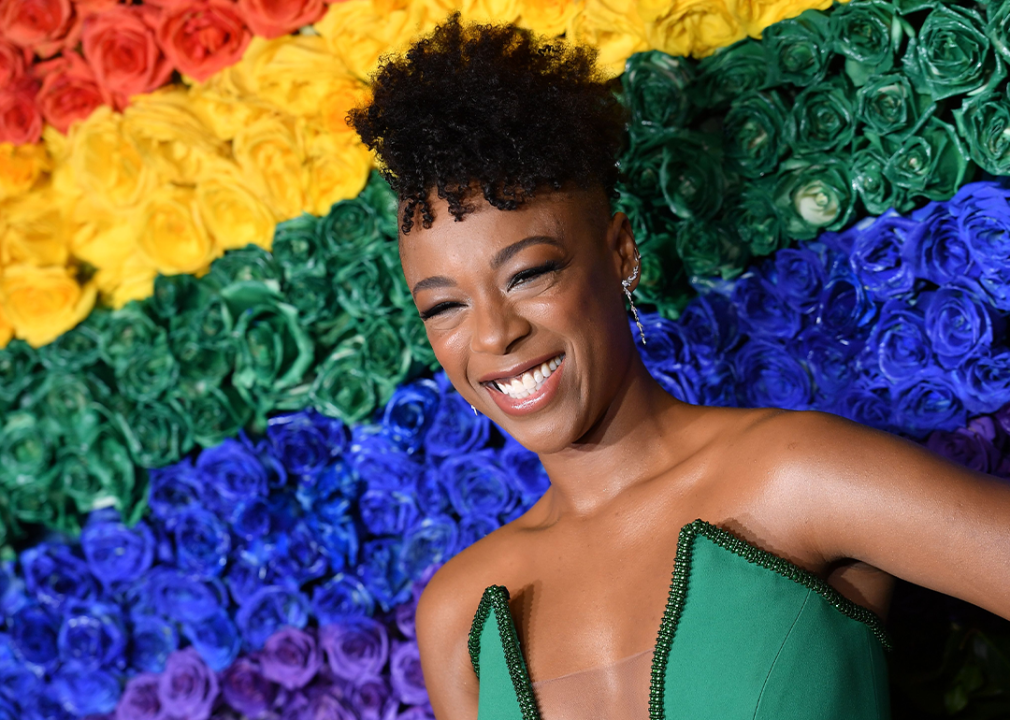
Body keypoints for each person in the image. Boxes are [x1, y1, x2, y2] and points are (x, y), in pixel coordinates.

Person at [348, 13, 1010, 720]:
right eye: (444, 306)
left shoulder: (795, 476)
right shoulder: (458, 615)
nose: (493, 336)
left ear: (621, 254)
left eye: (528, 274)